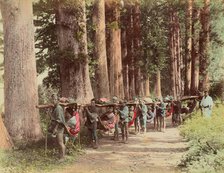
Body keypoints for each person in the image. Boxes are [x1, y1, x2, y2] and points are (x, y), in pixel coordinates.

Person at [50, 94, 66, 161]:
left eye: (55, 99)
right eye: (53, 99)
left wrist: (55, 128)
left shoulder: (58, 108)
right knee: (58, 143)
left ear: (57, 100)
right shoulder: (55, 108)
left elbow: (59, 120)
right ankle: (60, 156)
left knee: (60, 142)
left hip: (59, 127)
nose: (54, 101)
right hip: (56, 127)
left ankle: (62, 157)